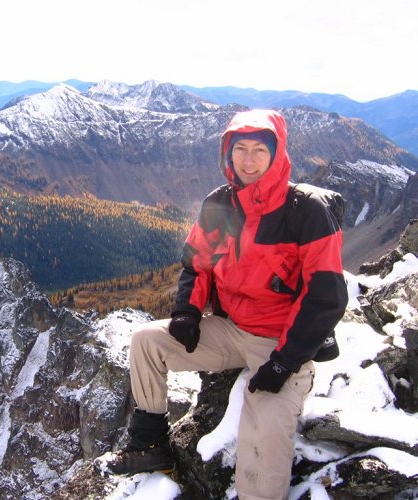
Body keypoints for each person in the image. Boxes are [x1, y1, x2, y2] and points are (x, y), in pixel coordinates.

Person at [97, 109, 348, 500]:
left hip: (281, 341)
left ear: (277, 153)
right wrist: (186, 312)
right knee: (147, 341)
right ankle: (151, 444)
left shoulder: (306, 211)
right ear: (227, 155)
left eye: (258, 150)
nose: (248, 160)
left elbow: (326, 296)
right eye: (239, 150)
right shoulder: (221, 205)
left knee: (264, 424)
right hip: (230, 330)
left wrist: (284, 360)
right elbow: (197, 265)